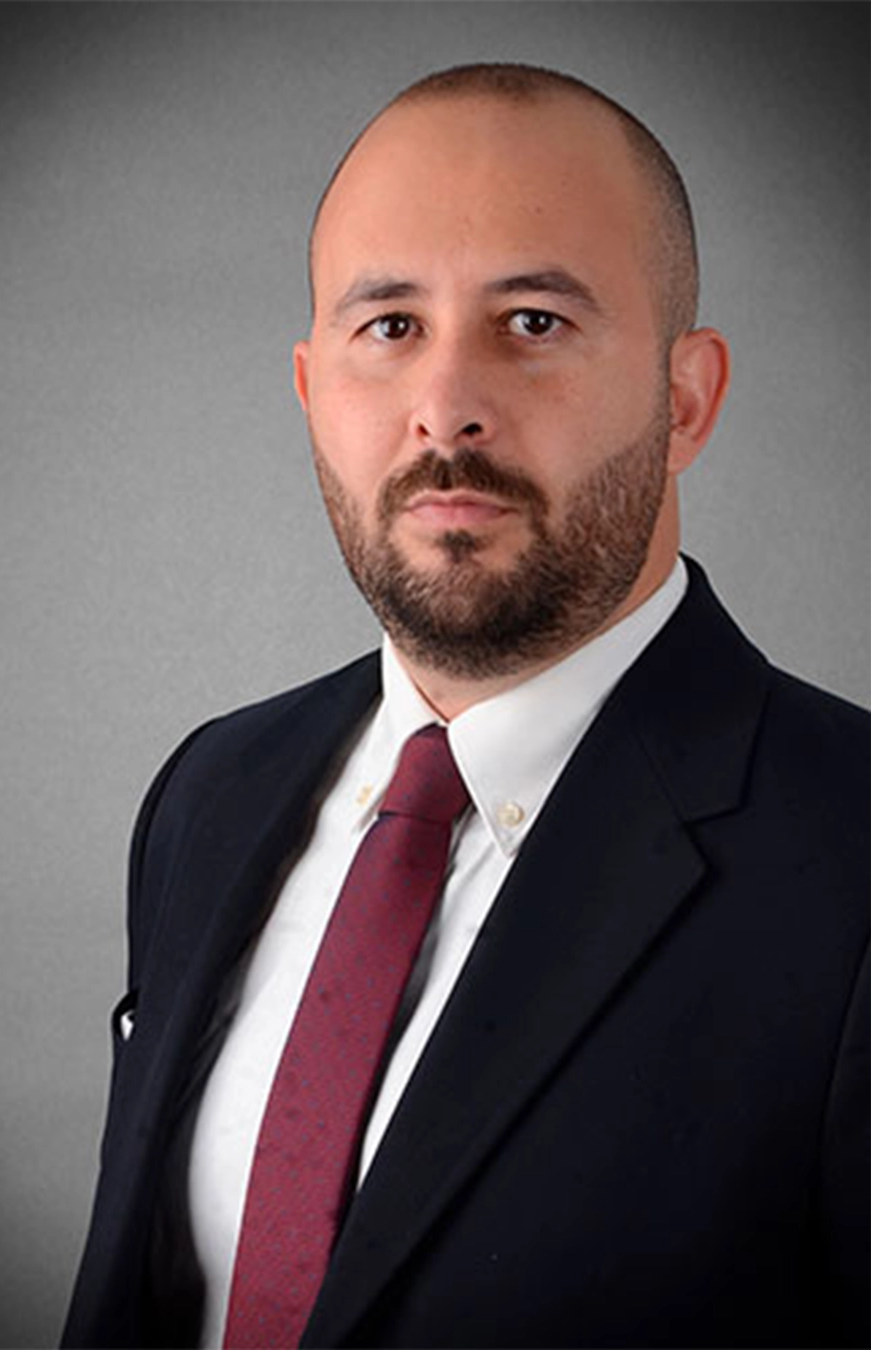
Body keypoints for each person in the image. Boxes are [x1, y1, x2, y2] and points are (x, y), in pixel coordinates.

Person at [62, 63, 869, 1349]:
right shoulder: (212, 791)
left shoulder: (850, 860)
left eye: (534, 321)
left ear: (686, 399)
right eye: (389, 327)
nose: (446, 409)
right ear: (312, 390)